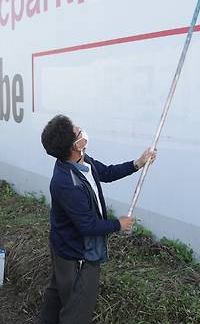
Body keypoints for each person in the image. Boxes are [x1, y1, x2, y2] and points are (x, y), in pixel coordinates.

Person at [39, 114, 156, 324]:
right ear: (75, 145)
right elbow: (87, 225)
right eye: (78, 131)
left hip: (62, 245)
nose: (82, 130)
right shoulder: (68, 183)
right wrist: (118, 224)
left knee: (57, 295)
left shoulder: (83, 161)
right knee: (77, 309)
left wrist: (137, 163)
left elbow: (107, 172)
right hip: (77, 255)